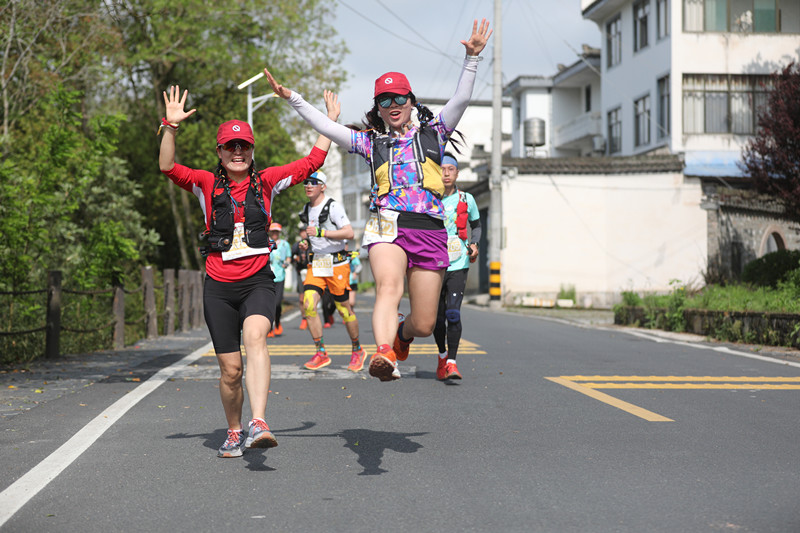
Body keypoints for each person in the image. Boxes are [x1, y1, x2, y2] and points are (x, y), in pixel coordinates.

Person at [264, 18, 492, 381]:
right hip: (388, 223)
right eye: (385, 100)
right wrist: (294, 98)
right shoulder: (371, 143)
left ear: (411, 101)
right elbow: (327, 127)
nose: (393, 104)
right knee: (388, 286)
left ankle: (401, 337)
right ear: (379, 108)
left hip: (431, 228)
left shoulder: (436, 132)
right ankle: (384, 352)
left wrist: (472, 59)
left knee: (424, 321)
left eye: (399, 97)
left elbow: (461, 98)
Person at [158, 85, 339, 458]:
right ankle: (235, 428)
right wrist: (170, 127)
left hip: (257, 281)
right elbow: (166, 167)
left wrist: (328, 124)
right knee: (230, 371)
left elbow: (311, 163)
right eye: (230, 147)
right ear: (220, 153)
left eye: (244, 147)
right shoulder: (206, 185)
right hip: (219, 288)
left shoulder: (268, 180)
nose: (237, 152)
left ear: (252, 151)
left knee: (257, 337)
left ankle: (259, 422)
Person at [296, 170, 368, 373]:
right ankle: (320, 352)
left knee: (345, 310)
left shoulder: (333, 206)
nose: (308, 185)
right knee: (309, 305)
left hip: (337, 265)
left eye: (313, 182)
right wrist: (305, 243)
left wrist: (322, 232)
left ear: (323, 187)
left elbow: (349, 232)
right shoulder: (306, 209)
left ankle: (357, 350)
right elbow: (313, 237)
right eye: (306, 182)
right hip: (317, 264)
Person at [433, 154, 481, 380]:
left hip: (458, 262)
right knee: (436, 318)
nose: (446, 173)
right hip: (433, 263)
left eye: (450, 169)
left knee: (453, 313)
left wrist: (474, 243)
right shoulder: (428, 198)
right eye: (442, 169)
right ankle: (442, 356)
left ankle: (452, 362)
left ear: (457, 173)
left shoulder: (466, 198)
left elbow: (476, 225)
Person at [267, 222, 292, 337]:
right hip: (267, 276)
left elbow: (288, 257)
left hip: (279, 276)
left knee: (277, 303)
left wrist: (286, 263)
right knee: (268, 304)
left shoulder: (284, 244)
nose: (275, 234)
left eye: (276, 232)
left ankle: (277, 322)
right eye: (273, 231)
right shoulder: (265, 242)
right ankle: (269, 328)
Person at [291, 227, 310, 330]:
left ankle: (311, 317)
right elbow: (292, 258)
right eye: (302, 233)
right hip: (300, 272)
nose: (304, 235)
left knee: (311, 297)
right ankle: (304, 318)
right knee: (302, 299)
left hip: (311, 272)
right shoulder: (296, 245)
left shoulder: (312, 245)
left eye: (305, 233)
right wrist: (296, 260)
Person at [347, 243, 362, 309]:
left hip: (352, 281)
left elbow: (360, 266)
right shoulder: (339, 256)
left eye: (346, 244)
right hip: (342, 281)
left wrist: (355, 272)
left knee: (351, 302)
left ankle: (350, 314)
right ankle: (347, 316)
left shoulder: (354, 257)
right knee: (344, 302)